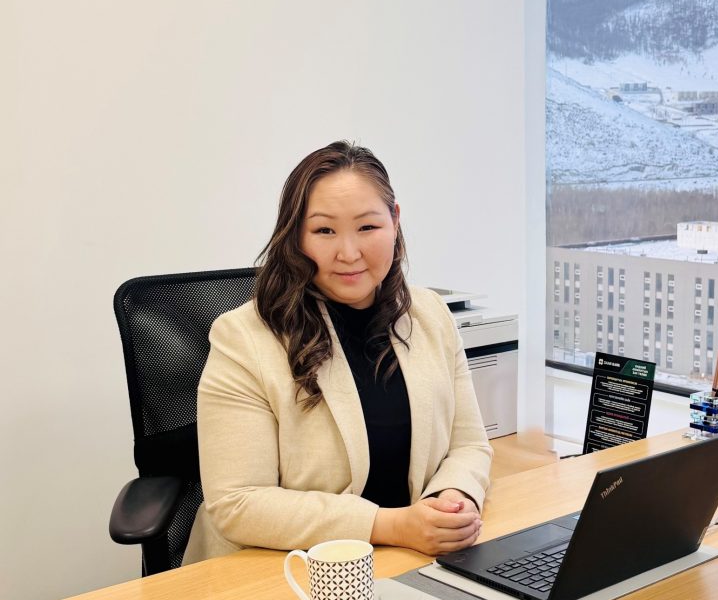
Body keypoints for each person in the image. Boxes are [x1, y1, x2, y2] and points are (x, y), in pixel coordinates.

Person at [183, 141, 492, 564]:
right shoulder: (243, 338)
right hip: (283, 570)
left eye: (367, 227)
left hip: (411, 560)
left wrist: (452, 501)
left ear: (395, 221)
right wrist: (394, 525)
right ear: (296, 236)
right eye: (324, 231)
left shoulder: (431, 315)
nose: (349, 253)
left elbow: (470, 444)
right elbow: (239, 502)